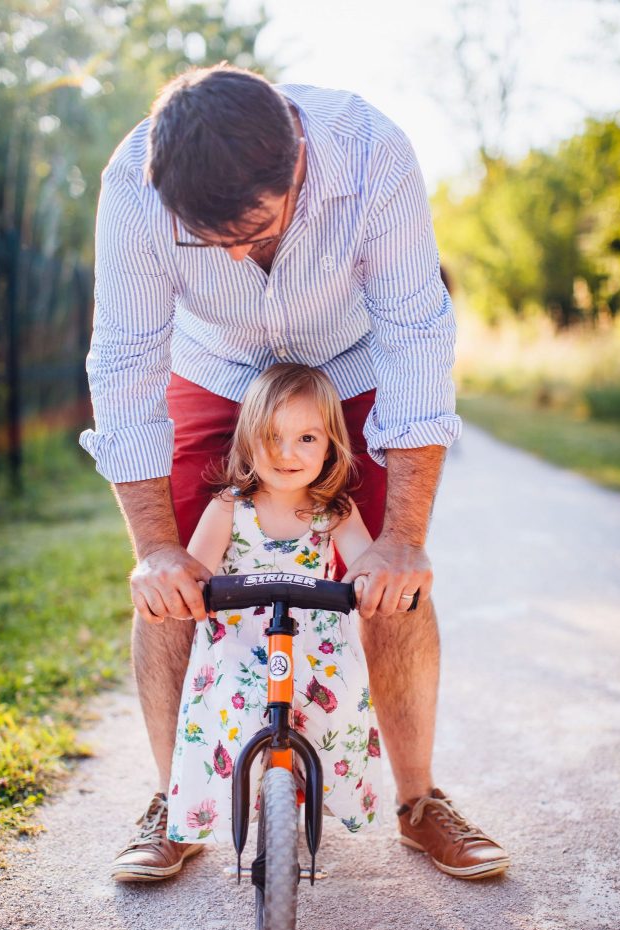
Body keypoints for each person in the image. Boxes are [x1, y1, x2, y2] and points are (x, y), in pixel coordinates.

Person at [80, 63, 510, 882]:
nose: (237, 254)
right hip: (214, 370)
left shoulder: (372, 154)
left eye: (254, 229)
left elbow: (416, 337)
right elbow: (126, 363)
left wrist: (402, 538)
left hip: (349, 364)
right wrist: (155, 548)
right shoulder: (133, 191)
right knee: (170, 580)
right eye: (210, 241)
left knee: (393, 576)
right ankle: (177, 801)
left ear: (300, 165)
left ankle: (419, 803)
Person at [165, 363, 383, 850]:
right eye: (272, 437)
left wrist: (369, 584)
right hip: (242, 644)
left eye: (307, 438)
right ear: (247, 440)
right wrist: (187, 591)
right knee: (235, 707)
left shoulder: (336, 510)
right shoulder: (229, 507)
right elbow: (197, 571)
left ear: (330, 444)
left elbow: (367, 565)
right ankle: (235, 796)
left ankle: (322, 788)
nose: (287, 454)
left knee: (341, 703)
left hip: (315, 646)